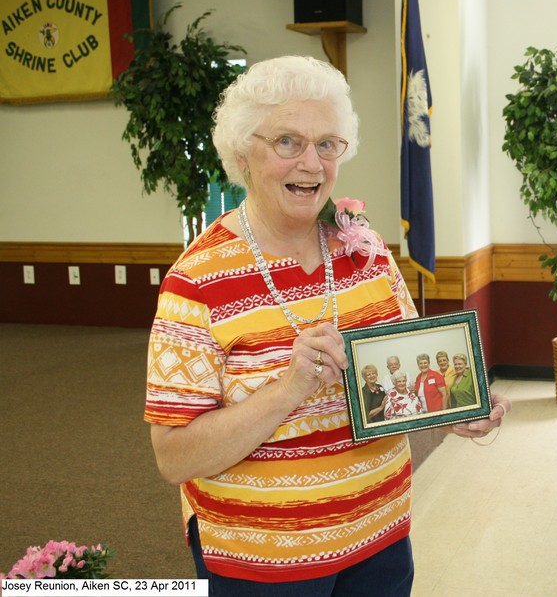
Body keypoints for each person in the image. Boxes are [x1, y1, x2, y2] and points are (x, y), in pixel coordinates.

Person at [144, 55, 511, 596]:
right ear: (244, 152)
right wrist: (289, 388)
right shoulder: (196, 280)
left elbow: (402, 378)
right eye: (288, 142)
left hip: (381, 537)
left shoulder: (365, 250)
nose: (312, 164)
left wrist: (453, 407)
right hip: (264, 561)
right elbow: (174, 458)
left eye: (327, 143)